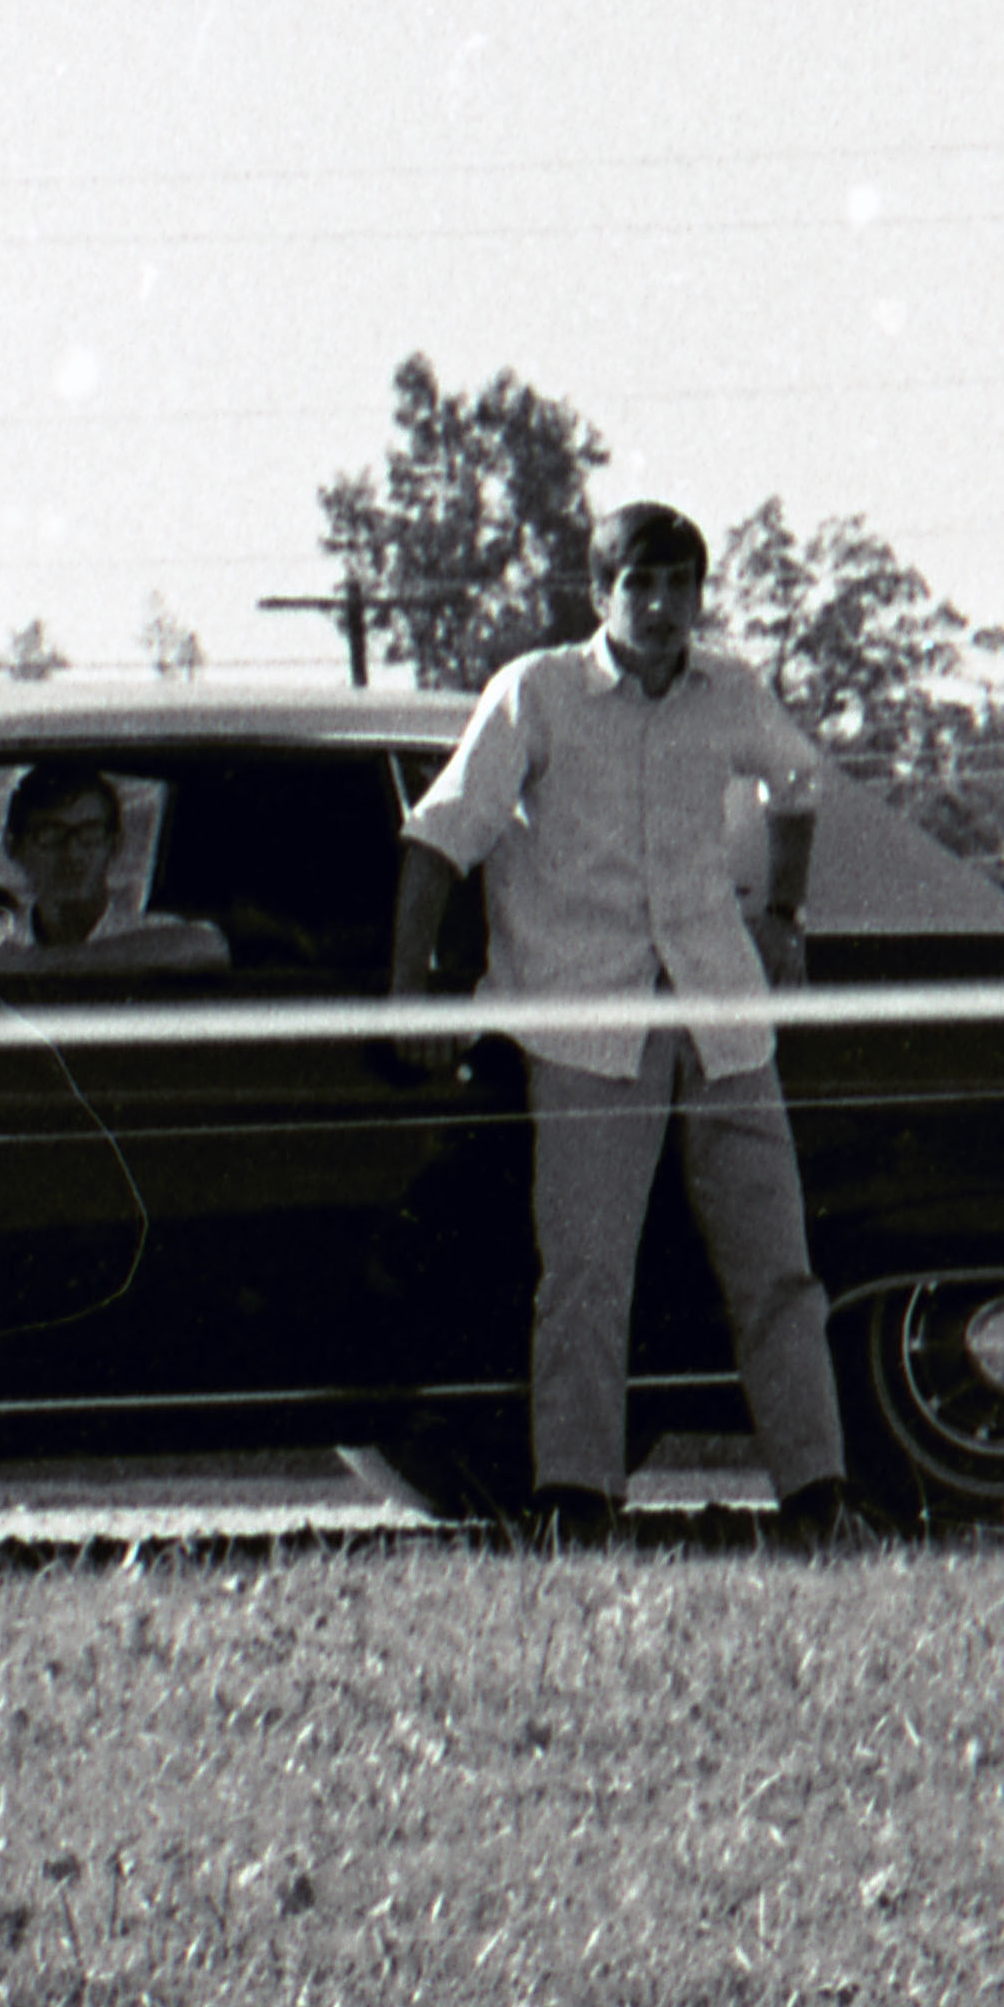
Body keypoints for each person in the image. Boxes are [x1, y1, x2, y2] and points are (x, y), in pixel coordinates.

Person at [386, 504, 862, 1543]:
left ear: (700, 594)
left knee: (776, 1264)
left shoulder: (728, 689)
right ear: (597, 593)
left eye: (679, 585)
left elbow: (797, 778)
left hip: (718, 1013)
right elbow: (438, 837)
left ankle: (818, 1499)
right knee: (588, 1271)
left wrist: (782, 912)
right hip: (586, 1020)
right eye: (637, 584)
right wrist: (410, 989)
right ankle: (578, 1499)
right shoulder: (537, 692)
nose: (659, 607)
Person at [0, 766, 227, 975]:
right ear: (12, 846)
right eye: (50, 835)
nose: (72, 852)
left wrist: (37, 963)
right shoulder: (0, 940)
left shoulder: (147, 933)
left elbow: (207, 946)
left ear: (115, 845)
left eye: (89, 834)